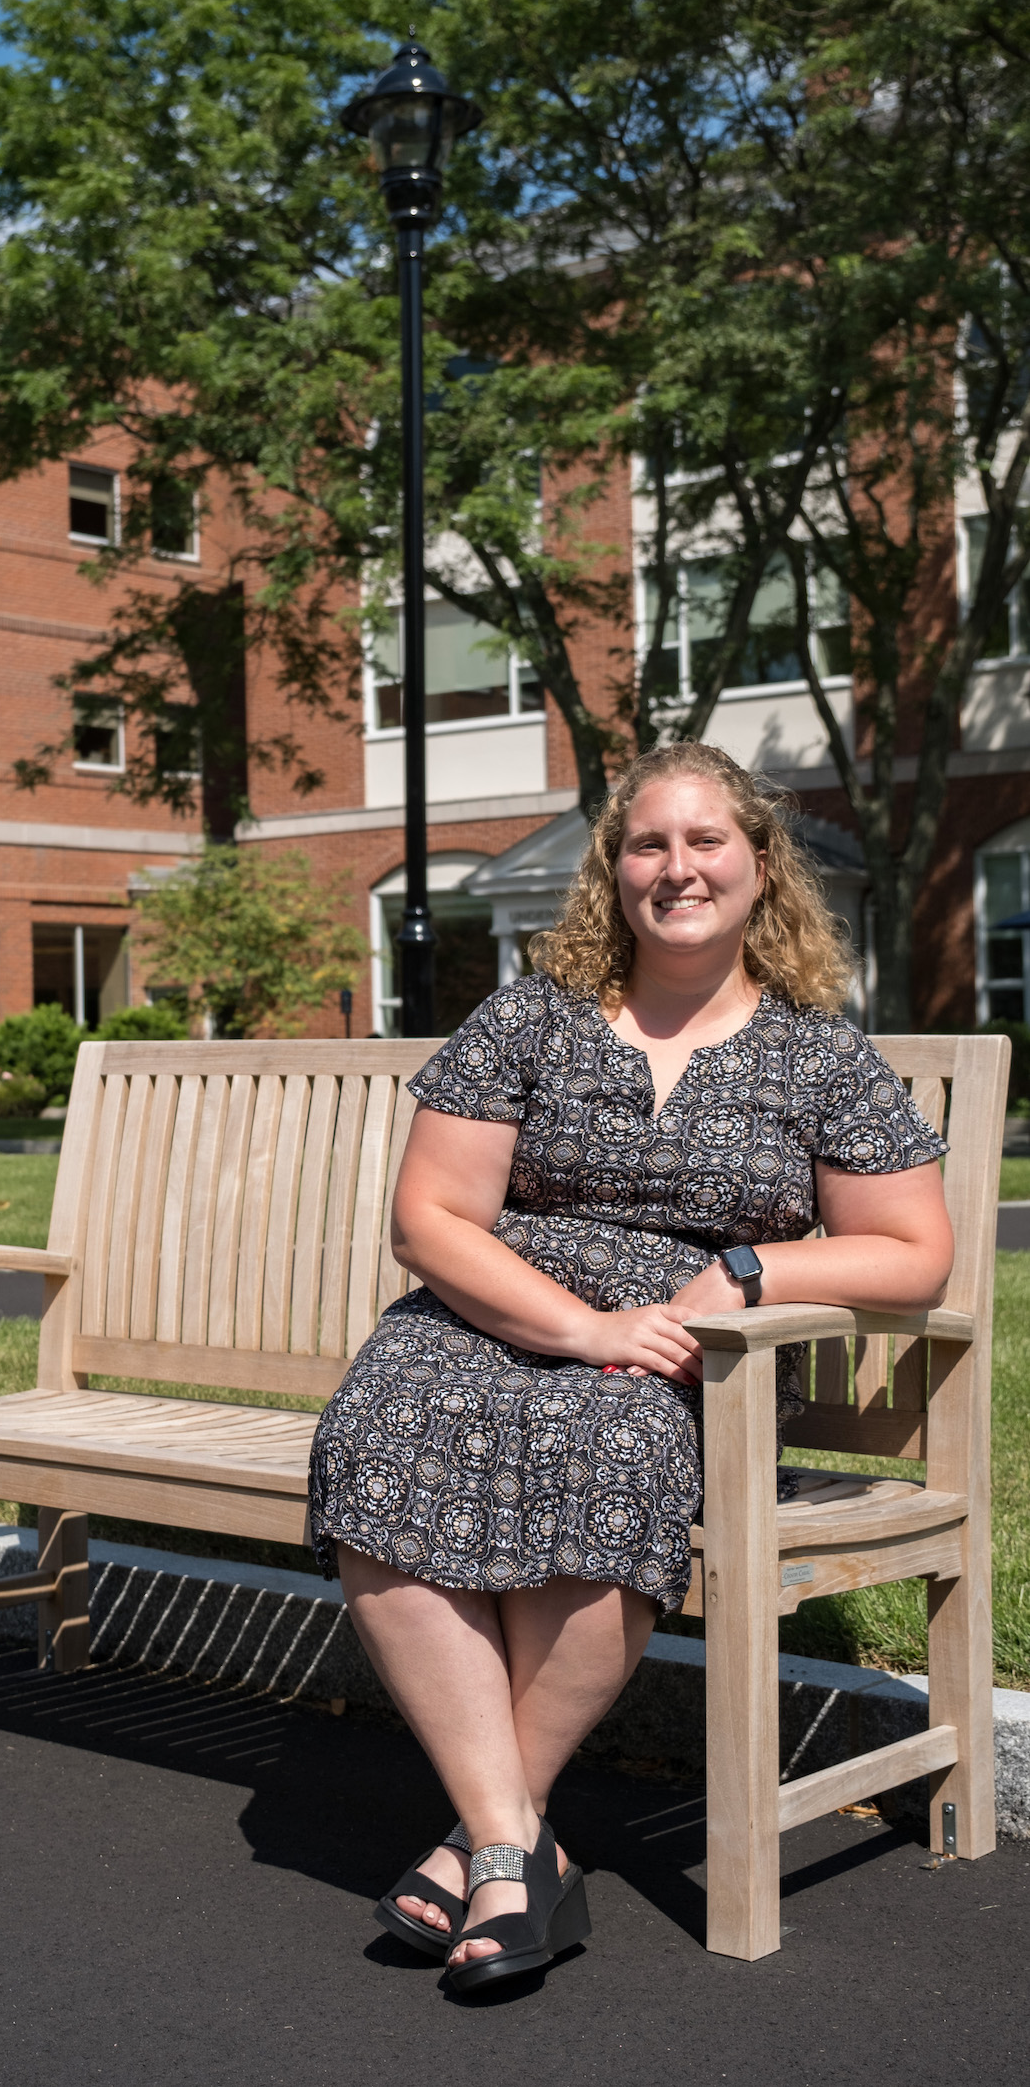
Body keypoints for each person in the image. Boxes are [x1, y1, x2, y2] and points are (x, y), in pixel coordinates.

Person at [307, 742, 954, 1995]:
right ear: (614, 871)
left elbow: (913, 1254)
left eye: (707, 841)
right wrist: (580, 1324)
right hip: (493, 1322)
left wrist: (754, 1276)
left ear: (761, 867)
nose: (678, 868)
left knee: (615, 1452)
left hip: (685, 1354)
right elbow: (431, 1219)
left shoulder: (818, 1055)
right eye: (649, 844)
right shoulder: (531, 1017)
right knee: (375, 1435)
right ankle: (508, 1846)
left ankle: (486, 1847)